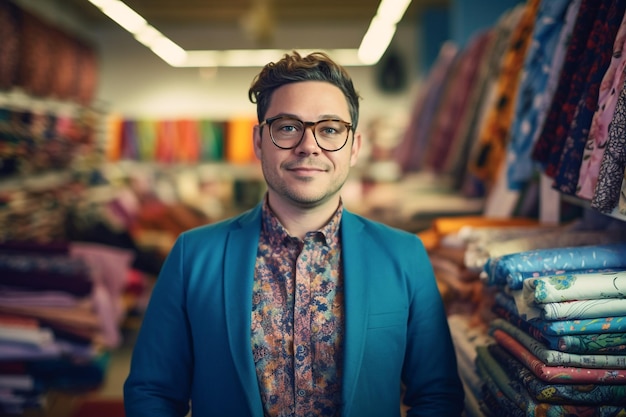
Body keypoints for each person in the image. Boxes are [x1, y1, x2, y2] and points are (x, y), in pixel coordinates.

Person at [124, 50, 465, 417]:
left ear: (355, 148)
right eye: (288, 127)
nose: (308, 145)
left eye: (330, 129)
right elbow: (153, 390)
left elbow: (437, 395)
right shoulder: (194, 255)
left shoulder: (404, 256)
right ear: (258, 142)